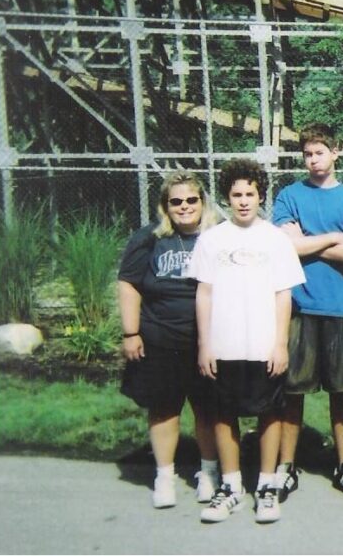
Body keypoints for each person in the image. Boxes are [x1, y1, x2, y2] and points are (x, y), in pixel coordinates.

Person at [189, 158, 305, 524]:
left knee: (270, 413)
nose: (243, 201)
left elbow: (283, 295)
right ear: (226, 197)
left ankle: (267, 485)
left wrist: (280, 344)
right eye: (236, 194)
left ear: (260, 196)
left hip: (263, 345)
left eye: (249, 194)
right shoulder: (211, 240)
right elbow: (203, 294)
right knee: (223, 414)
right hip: (223, 345)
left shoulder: (275, 240)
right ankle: (232, 486)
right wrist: (205, 345)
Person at [271, 123, 343, 502]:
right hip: (297, 306)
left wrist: (305, 240)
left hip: (340, 307)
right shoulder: (289, 195)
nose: (314, 160)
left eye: (320, 152)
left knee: (341, 392)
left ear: (334, 154)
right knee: (291, 391)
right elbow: (284, 247)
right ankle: (285, 466)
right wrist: (331, 238)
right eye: (308, 154)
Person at [118, 171, 222, 509]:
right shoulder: (149, 238)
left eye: (191, 200)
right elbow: (128, 283)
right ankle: (164, 475)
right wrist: (131, 332)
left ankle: (209, 472)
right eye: (176, 201)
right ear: (166, 206)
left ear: (202, 202)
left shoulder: (219, 236)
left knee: (208, 409)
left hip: (208, 338)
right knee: (164, 408)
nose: (184, 206)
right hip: (160, 336)